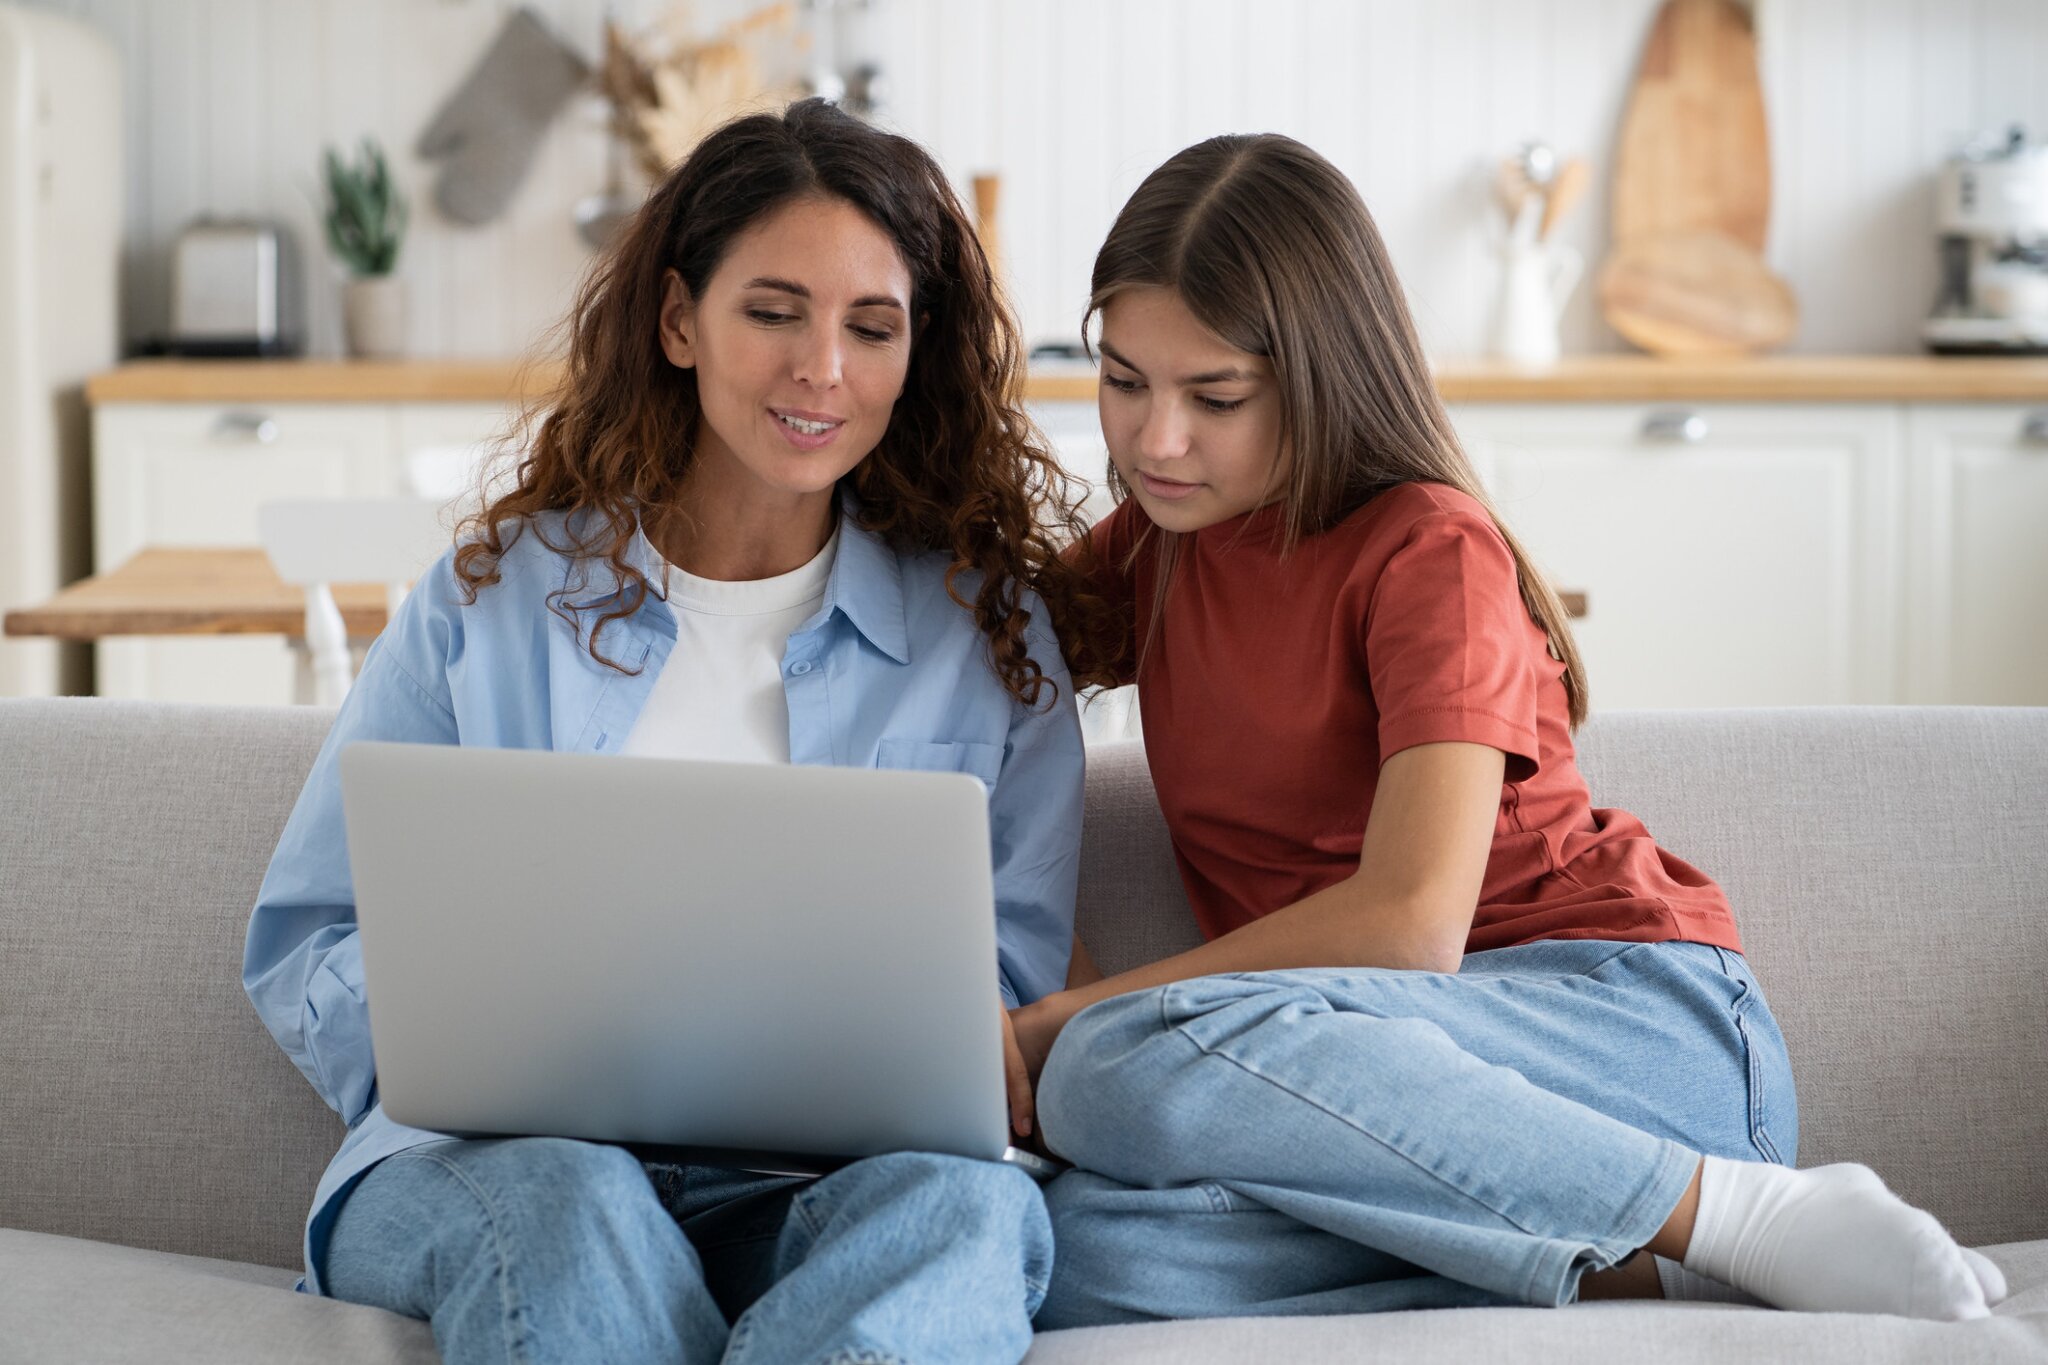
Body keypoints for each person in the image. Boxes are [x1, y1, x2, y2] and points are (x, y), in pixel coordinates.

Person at [1010, 132, 2010, 1328]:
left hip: (1623, 1035)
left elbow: (1409, 925)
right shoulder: (1161, 547)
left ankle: (1738, 1215)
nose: (1152, 439)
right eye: (1121, 381)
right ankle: (1638, 1253)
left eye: (1213, 396)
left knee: (1115, 1067)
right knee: (1072, 1258)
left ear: (1319, 373)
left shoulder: (1424, 546)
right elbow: (971, 694)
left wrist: (1064, 1020)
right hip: (1391, 1111)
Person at [243, 98, 1116, 1365]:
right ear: (676, 322)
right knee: (572, 1203)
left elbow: (1010, 972)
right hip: (506, 1169)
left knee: (967, 1211)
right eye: (772, 311)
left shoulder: (986, 638)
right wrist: (462, 1024)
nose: (822, 367)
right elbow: (310, 931)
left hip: (823, 1188)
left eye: (870, 327)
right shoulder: (493, 600)